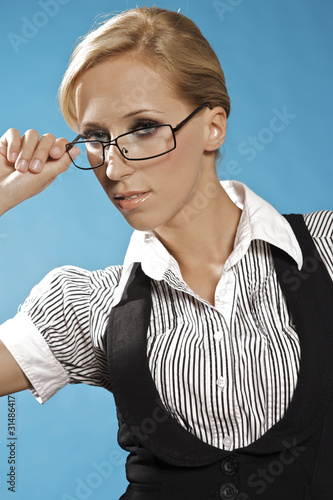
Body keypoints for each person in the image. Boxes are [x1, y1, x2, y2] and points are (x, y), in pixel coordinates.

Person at [0, 6, 332, 500]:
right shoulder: (86, 304)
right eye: (95, 138)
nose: (113, 166)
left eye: (144, 127)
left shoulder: (324, 251)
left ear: (214, 126)